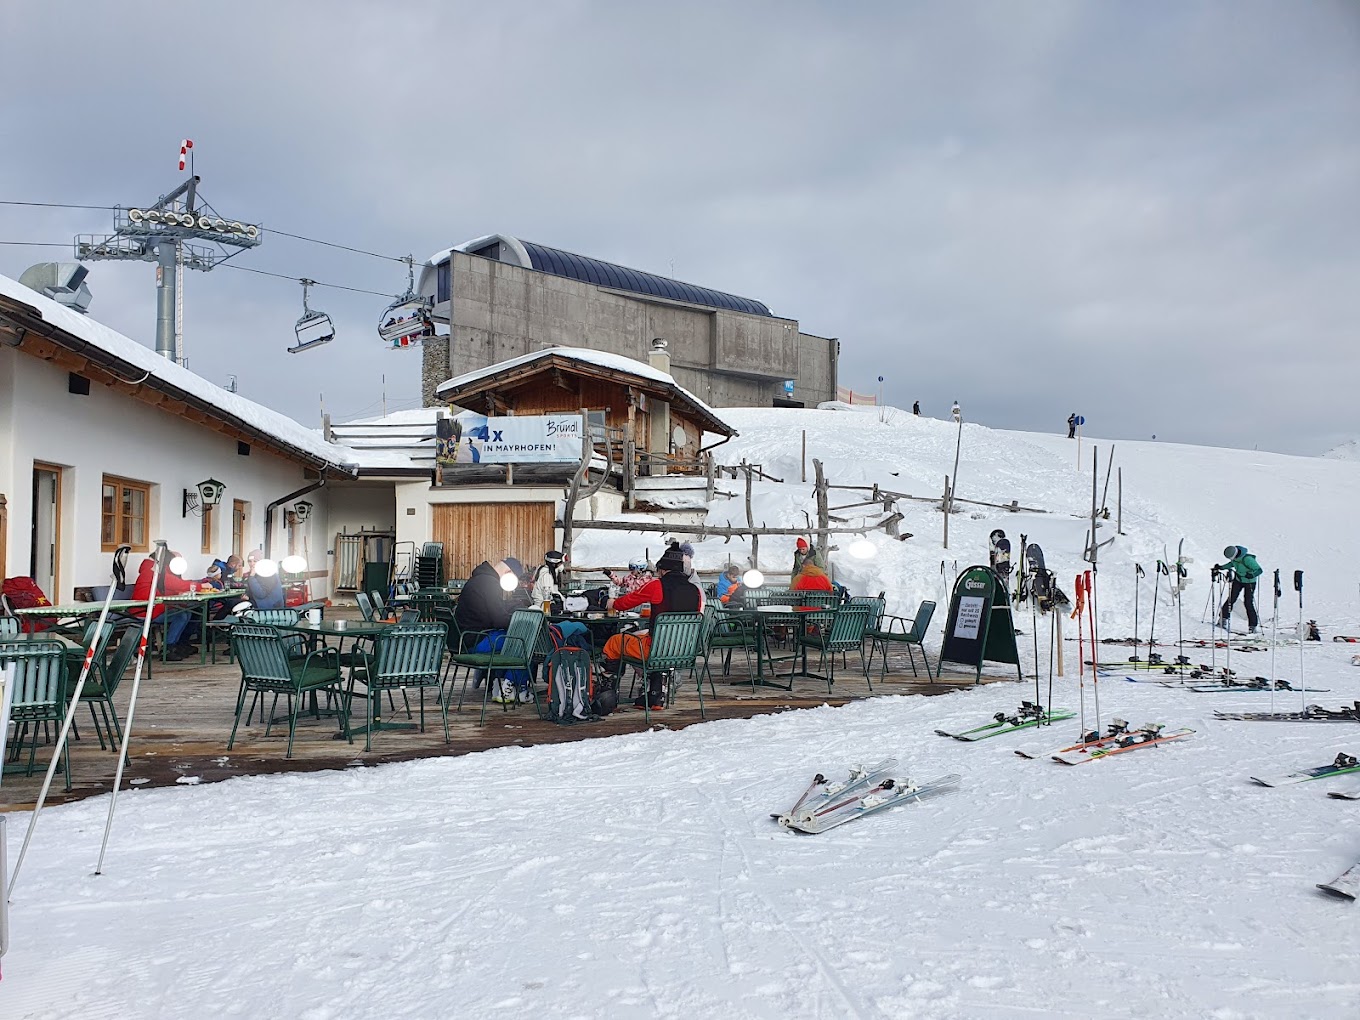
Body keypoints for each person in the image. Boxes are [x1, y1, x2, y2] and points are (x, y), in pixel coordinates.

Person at [602, 545, 703, 710]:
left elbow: (627, 602)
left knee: (615, 642)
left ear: (662, 570)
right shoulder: (696, 590)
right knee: (649, 639)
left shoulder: (657, 585)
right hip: (684, 650)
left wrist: (611, 603)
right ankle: (655, 694)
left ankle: (607, 692)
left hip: (655, 650)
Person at [455, 558, 532, 704]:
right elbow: (498, 619)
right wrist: (517, 619)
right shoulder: (490, 584)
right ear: (509, 573)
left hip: (464, 640)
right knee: (525, 640)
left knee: (513, 639)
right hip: (476, 642)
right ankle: (510, 684)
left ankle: (500, 684)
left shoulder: (478, 579)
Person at [129, 547, 196, 660]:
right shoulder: (154, 571)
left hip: (153, 608)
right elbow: (173, 584)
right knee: (182, 615)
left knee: (187, 612)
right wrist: (200, 586)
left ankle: (177, 644)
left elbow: (170, 587)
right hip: (145, 611)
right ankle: (168, 648)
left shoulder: (154, 570)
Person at [1215, 545, 1263, 633]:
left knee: (1248, 602)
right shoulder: (1235, 559)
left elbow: (1259, 570)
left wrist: (1252, 575)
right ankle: (1223, 619)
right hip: (1238, 580)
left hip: (1249, 582)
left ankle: (1253, 626)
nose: (1231, 560)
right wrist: (1221, 567)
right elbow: (1231, 564)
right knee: (1231, 599)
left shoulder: (1247, 559)